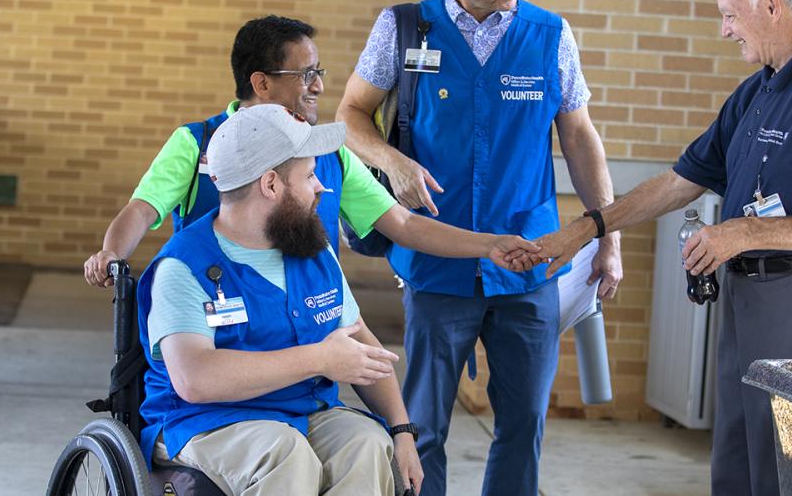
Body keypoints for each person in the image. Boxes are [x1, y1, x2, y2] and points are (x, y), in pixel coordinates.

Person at [532, 0, 792, 496]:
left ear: (770, 4)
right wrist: (589, 228)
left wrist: (742, 232)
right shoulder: (758, 91)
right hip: (753, 299)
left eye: (729, 14)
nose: (725, 31)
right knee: (740, 469)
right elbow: (679, 182)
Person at [336, 0, 622, 494]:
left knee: (523, 426)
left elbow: (581, 138)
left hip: (529, 262)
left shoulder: (551, 35)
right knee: (423, 427)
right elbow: (350, 113)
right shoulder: (403, 28)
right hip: (437, 263)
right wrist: (392, 162)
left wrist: (607, 236)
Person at [138, 104, 540, 495]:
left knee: (367, 444)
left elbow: (360, 340)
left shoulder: (311, 250)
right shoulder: (183, 267)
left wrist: (401, 430)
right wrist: (319, 359)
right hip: (203, 422)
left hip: (300, 412)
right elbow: (195, 380)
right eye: (310, 175)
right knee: (286, 455)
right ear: (271, 184)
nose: (321, 187)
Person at [85, 16, 377, 286]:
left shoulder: (332, 152)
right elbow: (141, 209)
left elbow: (401, 222)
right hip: (217, 312)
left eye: (318, 72)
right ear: (261, 82)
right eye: (307, 74)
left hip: (308, 321)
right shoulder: (197, 142)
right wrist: (111, 254)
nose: (319, 86)